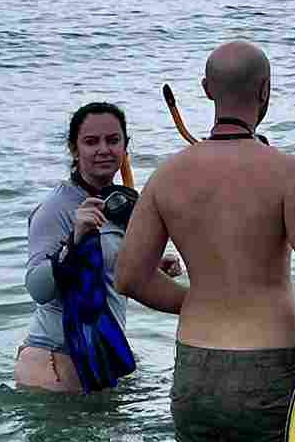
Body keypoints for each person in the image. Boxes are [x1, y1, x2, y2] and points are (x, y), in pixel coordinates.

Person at [113, 41, 295, 442]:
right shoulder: (288, 173)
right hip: (268, 367)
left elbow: (130, 277)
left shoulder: (168, 174)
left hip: (195, 372)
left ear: (207, 90)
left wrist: (198, 300)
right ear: (265, 90)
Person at [16, 102, 180, 393]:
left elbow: (105, 273)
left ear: (125, 147)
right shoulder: (57, 209)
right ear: (74, 149)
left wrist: (149, 267)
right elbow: (38, 289)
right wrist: (75, 240)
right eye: (91, 142)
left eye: (113, 140)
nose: (103, 149)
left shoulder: (118, 204)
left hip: (98, 359)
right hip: (55, 362)